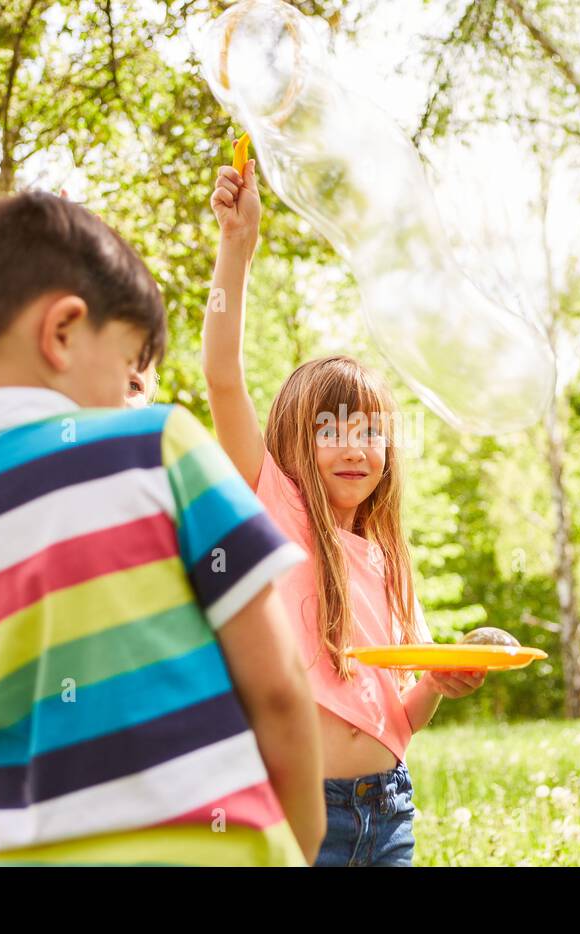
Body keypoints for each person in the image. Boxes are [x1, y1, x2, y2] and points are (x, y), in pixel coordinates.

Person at [0, 190, 324, 865]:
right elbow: (279, 688)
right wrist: (302, 843)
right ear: (63, 332)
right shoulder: (156, 447)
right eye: (131, 363)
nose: (132, 390)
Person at [203, 150, 485, 866]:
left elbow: (400, 718)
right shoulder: (276, 505)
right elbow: (222, 375)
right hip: (299, 812)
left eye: (369, 430)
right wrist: (238, 246)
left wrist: (443, 680)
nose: (352, 445)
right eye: (330, 429)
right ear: (295, 441)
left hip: (388, 810)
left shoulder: (391, 560)